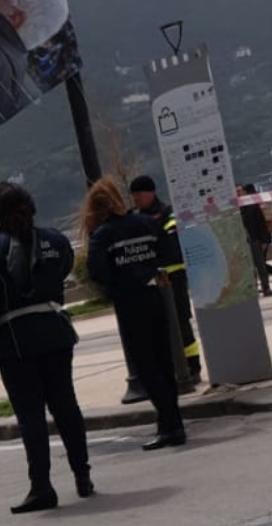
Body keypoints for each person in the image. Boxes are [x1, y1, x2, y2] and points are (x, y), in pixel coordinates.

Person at [0, 182, 90, 514]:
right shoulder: (56, 241)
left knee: (31, 417)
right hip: (56, 333)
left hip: (15, 344)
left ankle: (41, 486)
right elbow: (63, 270)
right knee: (66, 406)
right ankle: (83, 475)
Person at [82, 176, 185, 451]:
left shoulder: (102, 234)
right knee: (164, 363)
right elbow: (166, 252)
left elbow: (96, 271)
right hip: (154, 296)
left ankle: (171, 424)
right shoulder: (146, 223)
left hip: (129, 301)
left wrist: (118, 283)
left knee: (146, 367)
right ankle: (171, 424)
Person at [129, 175, 202, 381]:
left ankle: (193, 366)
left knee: (181, 321)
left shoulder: (167, 213)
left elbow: (171, 246)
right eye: (133, 195)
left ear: (150, 192)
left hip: (173, 276)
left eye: (138, 194)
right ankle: (172, 367)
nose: (135, 199)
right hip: (151, 280)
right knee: (159, 325)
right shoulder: (136, 217)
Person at [238, 183, 272, 295]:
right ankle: (253, 288)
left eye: (240, 191)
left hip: (255, 239)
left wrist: (265, 240)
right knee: (248, 267)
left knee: (260, 265)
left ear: (245, 193)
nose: (238, 194)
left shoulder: (253, 206)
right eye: (237, 192)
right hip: (241, 242)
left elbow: (261, 223)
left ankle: (266, 288)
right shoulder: (235, 209)